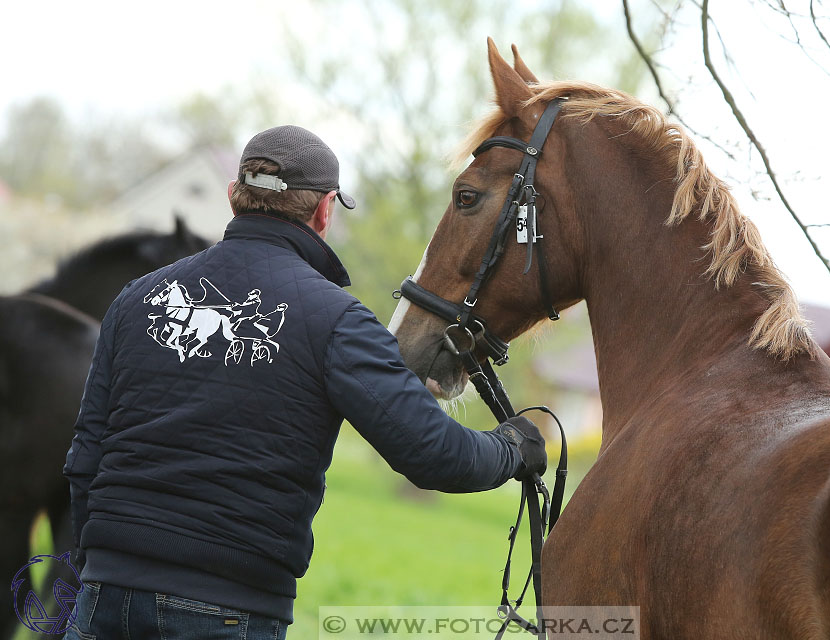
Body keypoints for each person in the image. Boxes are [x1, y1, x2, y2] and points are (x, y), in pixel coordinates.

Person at [62, 125, 547, 640]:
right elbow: (435, 453)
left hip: (103, 596)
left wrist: (106, 566)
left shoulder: (136, 298)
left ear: (233, 198)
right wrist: (513, 447)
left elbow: (84, 458)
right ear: (325, 210)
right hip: (231, 608)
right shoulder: (337, 321)